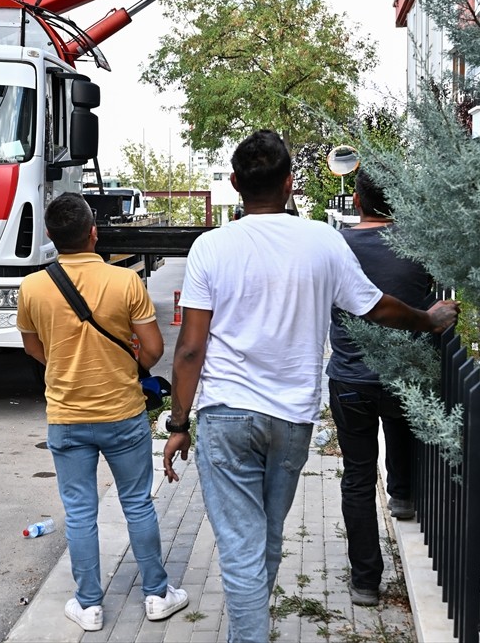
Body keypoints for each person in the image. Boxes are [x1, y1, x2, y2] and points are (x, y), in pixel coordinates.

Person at [162, 130, 459, 643]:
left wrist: (178, 421)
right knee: (266, 540)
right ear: (289, 183)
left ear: (234, 184)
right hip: (292, 417)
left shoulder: (210, 247)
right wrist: (428, 320)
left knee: (241, 546)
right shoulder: (322, 240)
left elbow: (190, 348)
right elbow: (376, 306)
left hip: (226, 414)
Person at [17, 192, 188, 633]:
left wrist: (66, 364)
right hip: (123, 413)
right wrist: (125, 365)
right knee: (137, 503)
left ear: (51, 238)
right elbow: (152, 350)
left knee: (79, 513)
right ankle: (156, 594)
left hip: (67, 416)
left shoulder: (32, 287)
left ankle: (89, 604)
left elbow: (34, 348)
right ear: (94, 233)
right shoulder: (125, 282)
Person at [326, 168, 430, 607]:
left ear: (357, 200)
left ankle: (366, 579)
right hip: (405, 370)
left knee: (357, 475)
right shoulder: (419, 245)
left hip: (351, 376)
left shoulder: (337, 247)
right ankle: (403, 495)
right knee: (402, 425)